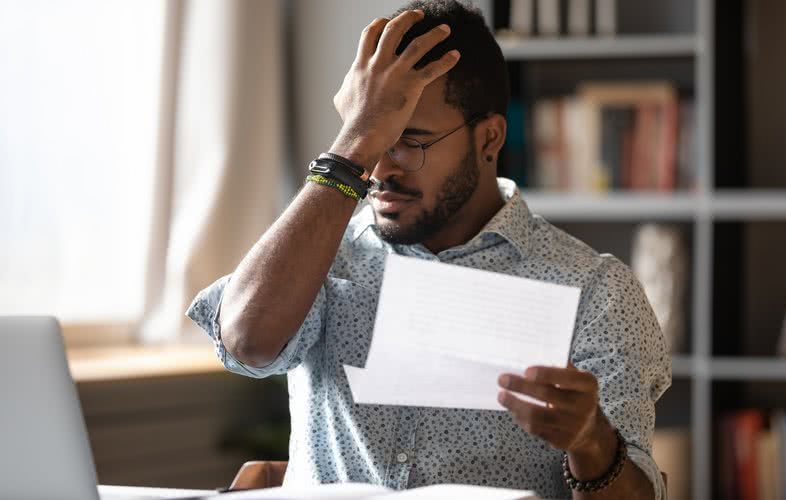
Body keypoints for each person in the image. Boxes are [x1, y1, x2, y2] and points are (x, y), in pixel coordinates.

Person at [187, 1, 671, 498]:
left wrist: (592, 443)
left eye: (408, 142)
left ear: (489, 139)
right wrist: (354, 143)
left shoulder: (594, 290)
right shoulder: (323, 256)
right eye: (373, 141)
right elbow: (246, 343)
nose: (381, 171)